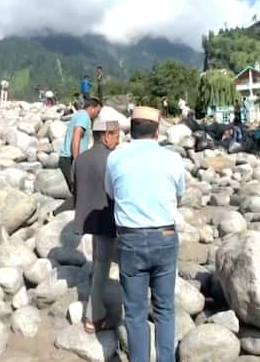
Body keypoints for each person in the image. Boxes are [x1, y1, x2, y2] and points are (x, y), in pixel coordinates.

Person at [105, 106, 185, 362]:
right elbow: (178, 196)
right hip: (164, 237)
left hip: (131, 240)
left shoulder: (115, 158)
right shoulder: (173, 159)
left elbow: (112, 193)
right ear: (157, 131)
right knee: (165, 309)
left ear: (131, 130)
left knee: (135, 312)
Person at [71, 120, 121, 334]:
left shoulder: (79, 159)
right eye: (117, 135)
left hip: (88, 220)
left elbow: (75, 187)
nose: (118, 140)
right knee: (103, 268)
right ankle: (94, 315)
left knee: (99, 263)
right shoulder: (113, 159)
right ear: (107, 135)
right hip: (108, 221)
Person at [59, 98, 103, 193]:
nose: (97, 115)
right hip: (70, 159)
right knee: (79, 190)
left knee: (79, 189)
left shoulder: (79, 114)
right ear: (92, 108)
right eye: (98, 112)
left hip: (67, 159)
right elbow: (76, 135)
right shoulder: (84, 117)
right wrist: (76, 160)